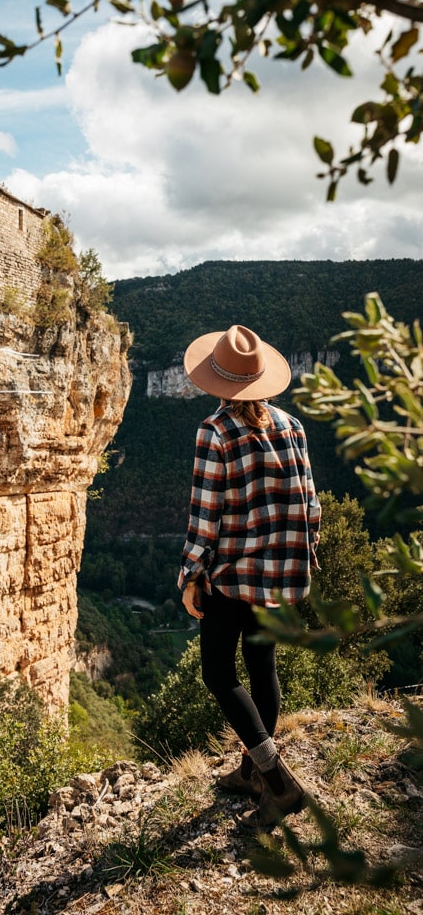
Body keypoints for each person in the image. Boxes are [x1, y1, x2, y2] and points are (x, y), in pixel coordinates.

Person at [178, 324, 321, 828]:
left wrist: (191, 575)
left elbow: (205, 516)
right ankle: (249, 770)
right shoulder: (293, 427)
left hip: (232, 579)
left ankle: (277, 782)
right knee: (262, 667)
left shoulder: (214, 432)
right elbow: (311, 506)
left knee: (218, 675)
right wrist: (301, 559)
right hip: (281, 574)